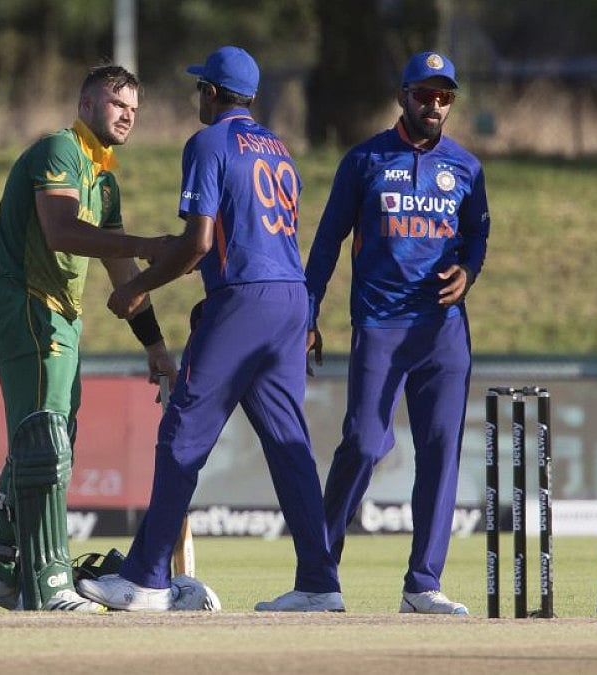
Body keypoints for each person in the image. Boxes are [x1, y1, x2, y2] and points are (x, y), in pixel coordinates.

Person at [77, 46, 343, 612]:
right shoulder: (281, 150)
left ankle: (146, 579)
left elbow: (199, 244)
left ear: (213, 93)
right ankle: (321, 583)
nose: (198, 96)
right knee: (289, 446)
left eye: (201, 88)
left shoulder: (208, 144)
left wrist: (137, 286)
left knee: (182, 436)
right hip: (291, 301)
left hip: (242, 302)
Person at [0, 64, 177, 612]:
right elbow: (61, 230)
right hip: (27, 303)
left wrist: (153, 343)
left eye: (133, 108)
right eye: (115, 103)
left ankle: (5, 566)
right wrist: (151, 242)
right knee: (45, 440)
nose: (127, 114)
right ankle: (47, 583)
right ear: (86, 105)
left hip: (59, 316)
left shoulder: (102, 177)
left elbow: (120, 267)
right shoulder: (61, 150)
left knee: (50, 439)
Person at [304, 51, 490, 615]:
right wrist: (306, 315)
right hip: (380, 326)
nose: (434, 106)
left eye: (444, 97)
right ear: (402, 96)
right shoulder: (363, 161)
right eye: (424, 95)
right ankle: (318, 575)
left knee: (440, 452)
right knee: (364, 441)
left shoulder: (466, 168)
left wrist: (469, 273)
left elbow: (476, 237)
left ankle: (423, 584)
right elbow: (327, 241)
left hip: (442, 331)